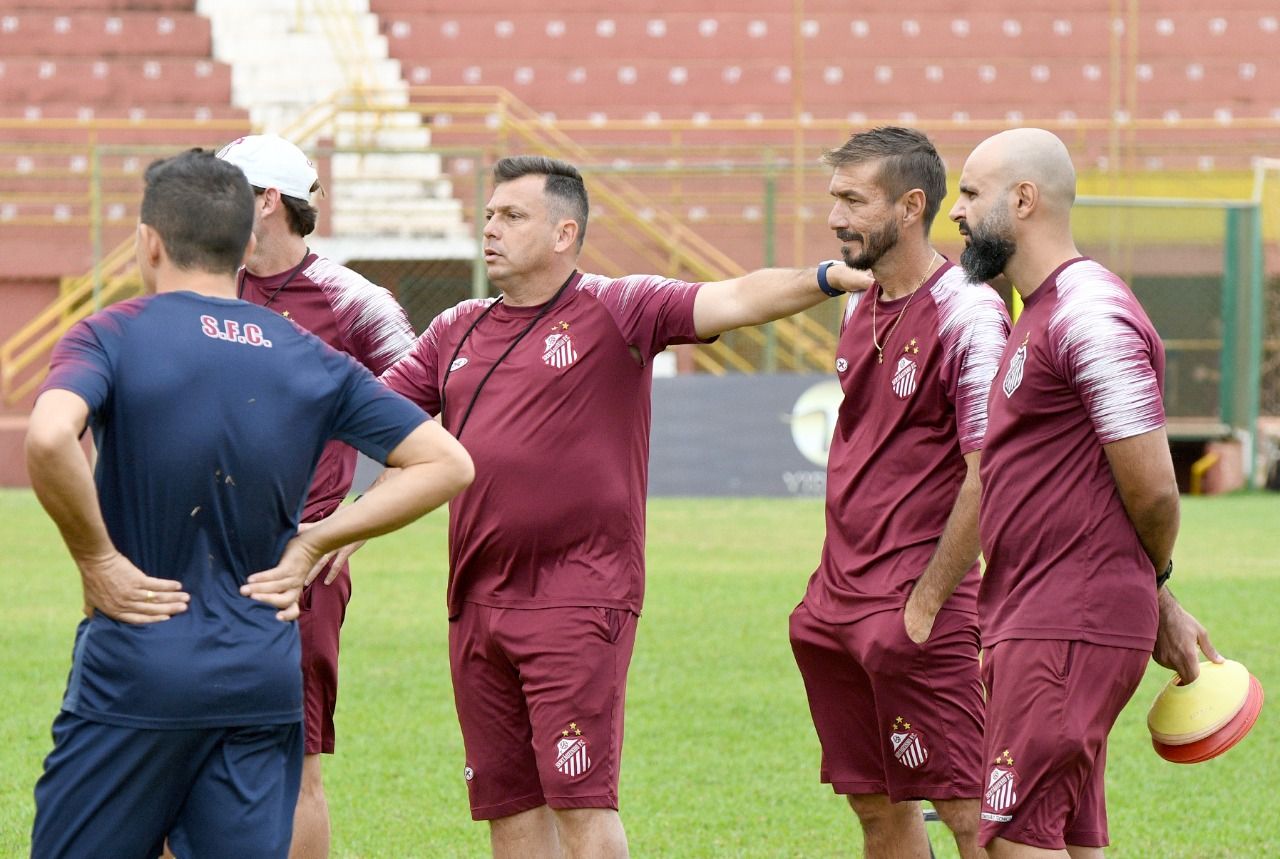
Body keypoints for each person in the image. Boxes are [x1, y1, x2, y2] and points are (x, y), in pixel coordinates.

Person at [378, 154, 871, 858]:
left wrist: (822, 278)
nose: (490, 228)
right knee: (509, 809)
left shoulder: (617, 308)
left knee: (581, 803)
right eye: (489, 215)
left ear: (562, 233)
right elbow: (370, 413)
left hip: (578, 596)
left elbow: (734, 297)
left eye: (512, 216)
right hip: (477, 601)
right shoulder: (454, 326)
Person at [26, 149, 473, 859]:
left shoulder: (112, 332)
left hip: (140, 664)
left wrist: (98, 560)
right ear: (241, 245)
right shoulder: (307, 352)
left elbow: (50, 436)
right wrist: (313, 542)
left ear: (149, 241)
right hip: (260, 668)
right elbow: (447, 462)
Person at [948, 127, 1222, 859]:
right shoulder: (1033, 312)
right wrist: (1156, 598)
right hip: (1046, 620)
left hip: (1065, 625)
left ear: (1025, 199)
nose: (958, 211)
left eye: (972, 193)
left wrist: (1154, 584)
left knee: (1015, 842)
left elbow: (1155, 492)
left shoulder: (1088, 310)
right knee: (1067, 841)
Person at [787, 127, 1010, 859]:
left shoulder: (968, 311)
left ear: (910, 206)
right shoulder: (859, 304)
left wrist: (926, 602)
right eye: (834, 198)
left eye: (854, 200)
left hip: (920, 610)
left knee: (971, 814)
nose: (835, 217)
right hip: (836, 607)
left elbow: (990, 472)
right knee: (878, 811)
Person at [214, 134, 418, 859]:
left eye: (226, 186)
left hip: (296, 563)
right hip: (193, 557)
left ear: (266, 200)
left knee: (292, 767)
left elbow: (429, 426)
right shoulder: (202, 284)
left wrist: (346, 530)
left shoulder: (354, 300)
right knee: (174, 753)